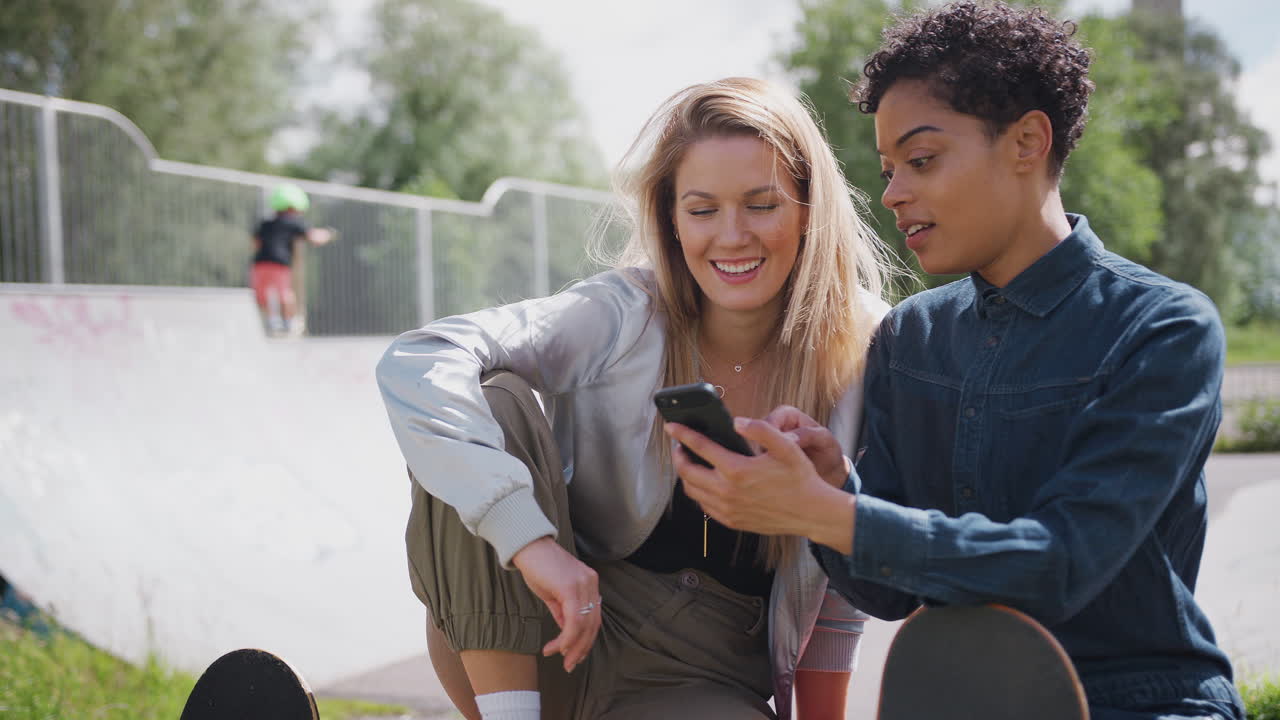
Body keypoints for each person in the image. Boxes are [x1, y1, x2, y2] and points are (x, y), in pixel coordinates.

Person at [668, 4, 1245, 719]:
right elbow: (886, 592)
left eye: (922, 160)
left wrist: (836, 517)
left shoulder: (1162, 328)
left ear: (1028, 141)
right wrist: (832, 490)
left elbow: (1061, 562)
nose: (893, 194)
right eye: (886, 169)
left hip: (1136, 703)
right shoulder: (911, 336)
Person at [375, 77, 897, 720]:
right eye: (702, 210)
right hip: (545, 635)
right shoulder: (623, 312)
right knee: (491, 397)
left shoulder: (866, 351)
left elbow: (836, 596)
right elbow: (422, 359)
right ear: (671, 220)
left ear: (809, 211)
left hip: (701, 678)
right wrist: (530, 543)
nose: (731, 236)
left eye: (761, 205)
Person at [250, 183, 332, 336]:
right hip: (279, 263)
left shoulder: (266, 223)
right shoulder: (294, 221)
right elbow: (314, 238)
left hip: (260, 262)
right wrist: (328, 234)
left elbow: (255, 243)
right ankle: (289, 322)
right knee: (284, 294)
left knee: (263, 294)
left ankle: (272, 321)